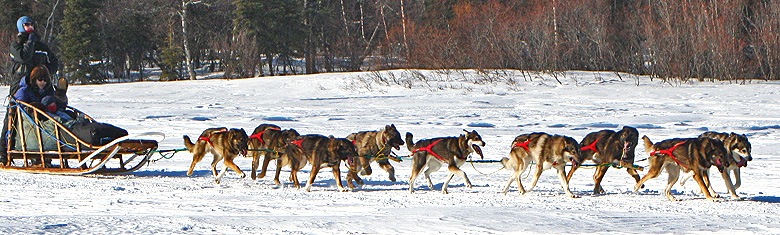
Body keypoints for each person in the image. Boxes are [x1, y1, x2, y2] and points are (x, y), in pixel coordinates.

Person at [1, 16, 60, 165]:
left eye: (32, 24)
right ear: (21, 26)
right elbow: (23, 56)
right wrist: (30, 41)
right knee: (11, 118)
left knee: (40, 117)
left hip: (40, 86)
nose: (30, 26)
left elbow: (53, 61)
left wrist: (45, 73)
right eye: (27, 24)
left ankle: (37, 153)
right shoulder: (17, 45)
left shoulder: (42, 46)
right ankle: (3, 152)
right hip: (20, 87)